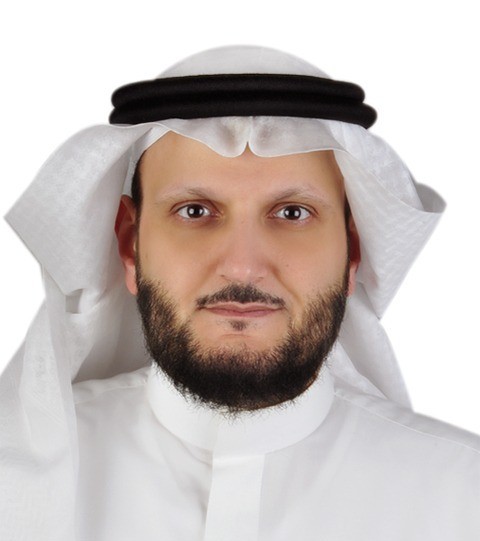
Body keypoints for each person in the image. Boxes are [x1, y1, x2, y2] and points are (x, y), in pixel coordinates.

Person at [1, 45, 479, 541]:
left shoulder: (465, 499)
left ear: (352, 250)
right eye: (194, 211)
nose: (243, 266)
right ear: (130, 245)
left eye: (292, 213)